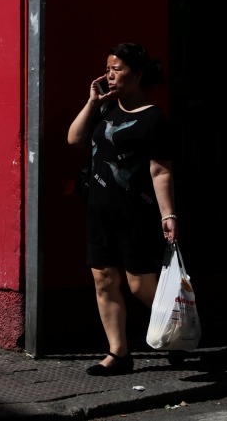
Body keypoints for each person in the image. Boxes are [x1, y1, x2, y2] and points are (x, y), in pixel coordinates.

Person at [67, 42, 176, 376]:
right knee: (104, 280)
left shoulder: (153, 118)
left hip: (135, 216)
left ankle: (178, 333)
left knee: (139, 285)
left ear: (137, 74)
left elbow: (160, 171)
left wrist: (168, 214)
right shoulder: (103, 109)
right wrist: (91, 102)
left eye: (117, 68)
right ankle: (119, 354)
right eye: (108, 67)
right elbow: (74, 139)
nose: (109, 74)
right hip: (99, 212)